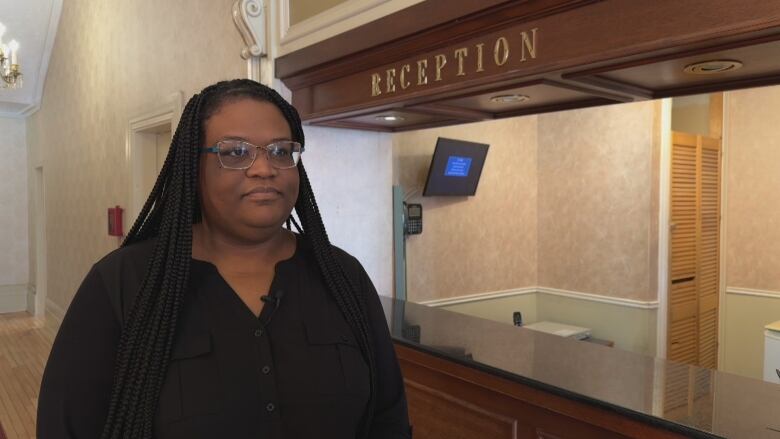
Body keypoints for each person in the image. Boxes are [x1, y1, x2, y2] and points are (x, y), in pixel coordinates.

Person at [37, 79, 412, 439]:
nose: (265, 168)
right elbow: (66, 428)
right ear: (192, 167)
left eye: (282, 151)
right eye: (235, 152)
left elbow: (388, 415)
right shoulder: (122, 282)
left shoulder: (343, 276)